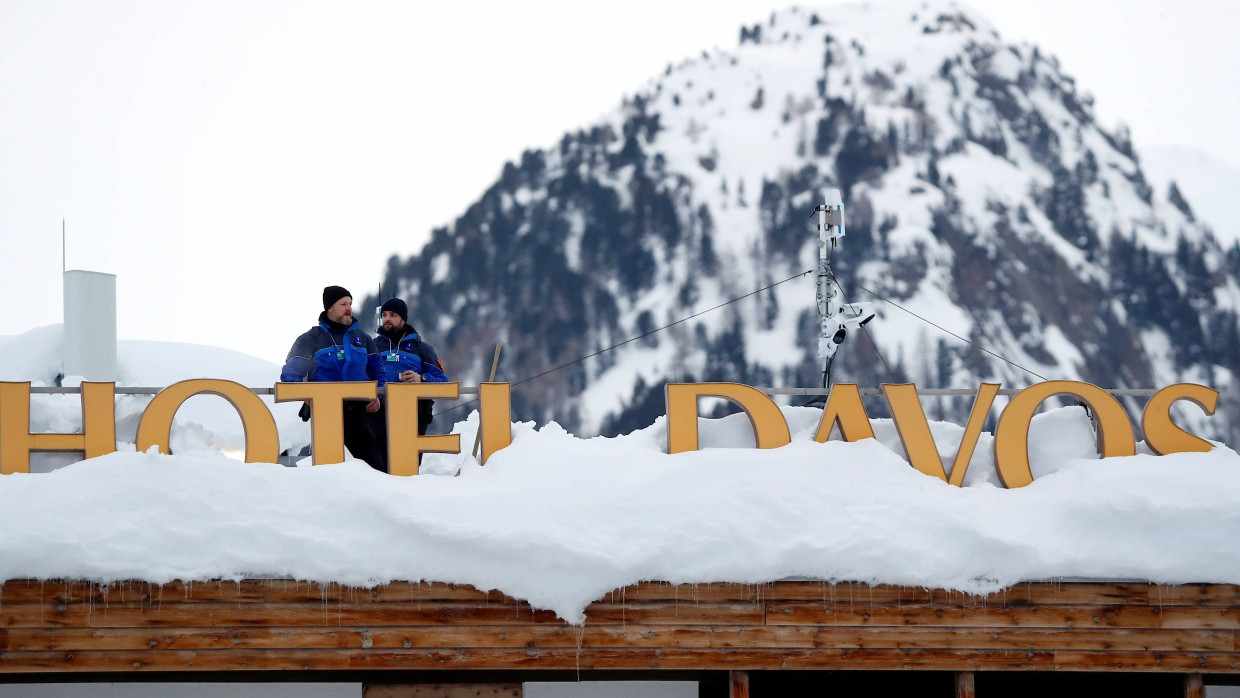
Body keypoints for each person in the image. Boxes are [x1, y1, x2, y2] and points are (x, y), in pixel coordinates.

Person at [281, 286, 388, 472]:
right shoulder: (311, 339)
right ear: (330, 307)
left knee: (374, 467)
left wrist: (378, 396)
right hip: (326, 410)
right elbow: (290, 374)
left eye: (350, 303)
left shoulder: (363, 339)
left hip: (359, 411)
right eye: (343, 304)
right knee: (328, 468)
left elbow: (378, 371)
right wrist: (304, 394)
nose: (349, 308)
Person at [371, 297, 449, 461]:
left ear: (403, 319)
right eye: (384, 315)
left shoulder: (422, 349)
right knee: (378, 468)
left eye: (393, 315)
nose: (387, 319)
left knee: (408, 465)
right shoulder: (371, 347)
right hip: (377, 415)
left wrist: (421, 379)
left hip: (413, 415)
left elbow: (443, 382)